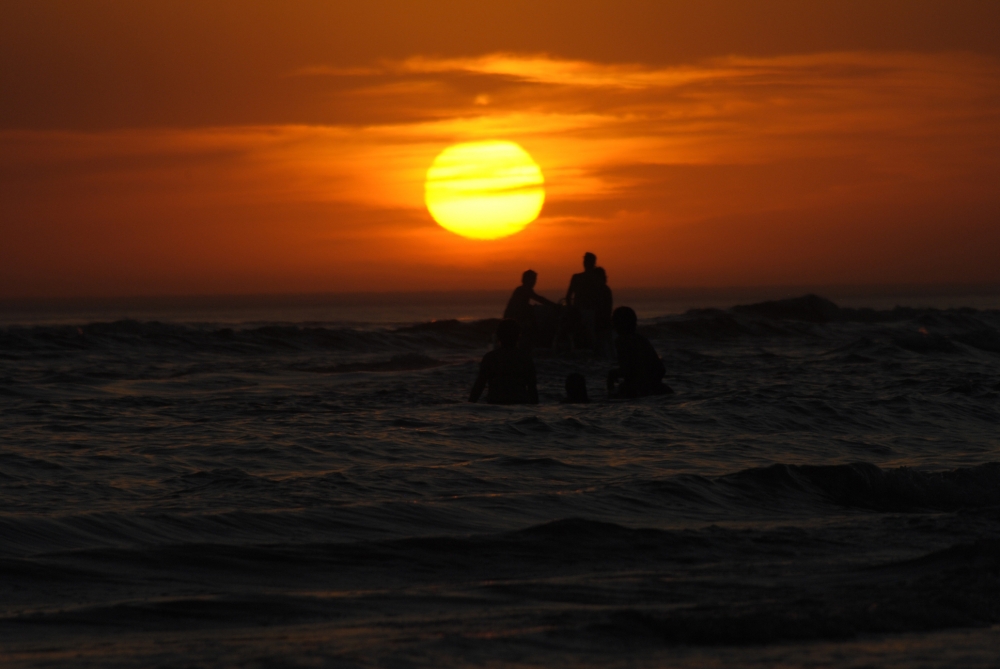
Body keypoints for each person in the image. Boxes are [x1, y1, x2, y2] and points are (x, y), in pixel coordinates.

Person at [606, 306, 671, 398]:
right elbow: (661, 369)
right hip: (657, 388)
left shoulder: (622, 341)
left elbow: (628, 369)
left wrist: (612, 375)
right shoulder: (641, 339)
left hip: (640, 389)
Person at [469, 319, 539, 404]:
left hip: (495, 404)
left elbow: (479, 385)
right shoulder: (524, 358)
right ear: (518, 336)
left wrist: (469, 407)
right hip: (520, 404)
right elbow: (532, 388)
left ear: (498, 336)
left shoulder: (490, 358)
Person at [503, 270, 558, 349]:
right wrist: (554, 305)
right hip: (514, 317)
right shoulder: (524, 289)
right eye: (532, 279)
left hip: (514, 316)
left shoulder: (521, 289)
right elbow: (539, 299)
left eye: (534, 280)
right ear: (526, 280)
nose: (534, 282)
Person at [564, 252, 599, 349]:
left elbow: (568, 297)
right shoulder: (594, 278)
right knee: (589, 338)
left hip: (584, 312)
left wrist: (571, 310)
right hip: (584, 312)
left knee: (581, 338)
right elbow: (568, 297)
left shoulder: (578, 277)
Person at [593, 267, 613, 357]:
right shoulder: (604, 289)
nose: (606, 278)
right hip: (605, 321)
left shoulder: (601, 290)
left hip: (601, 322)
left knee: (601, 344)